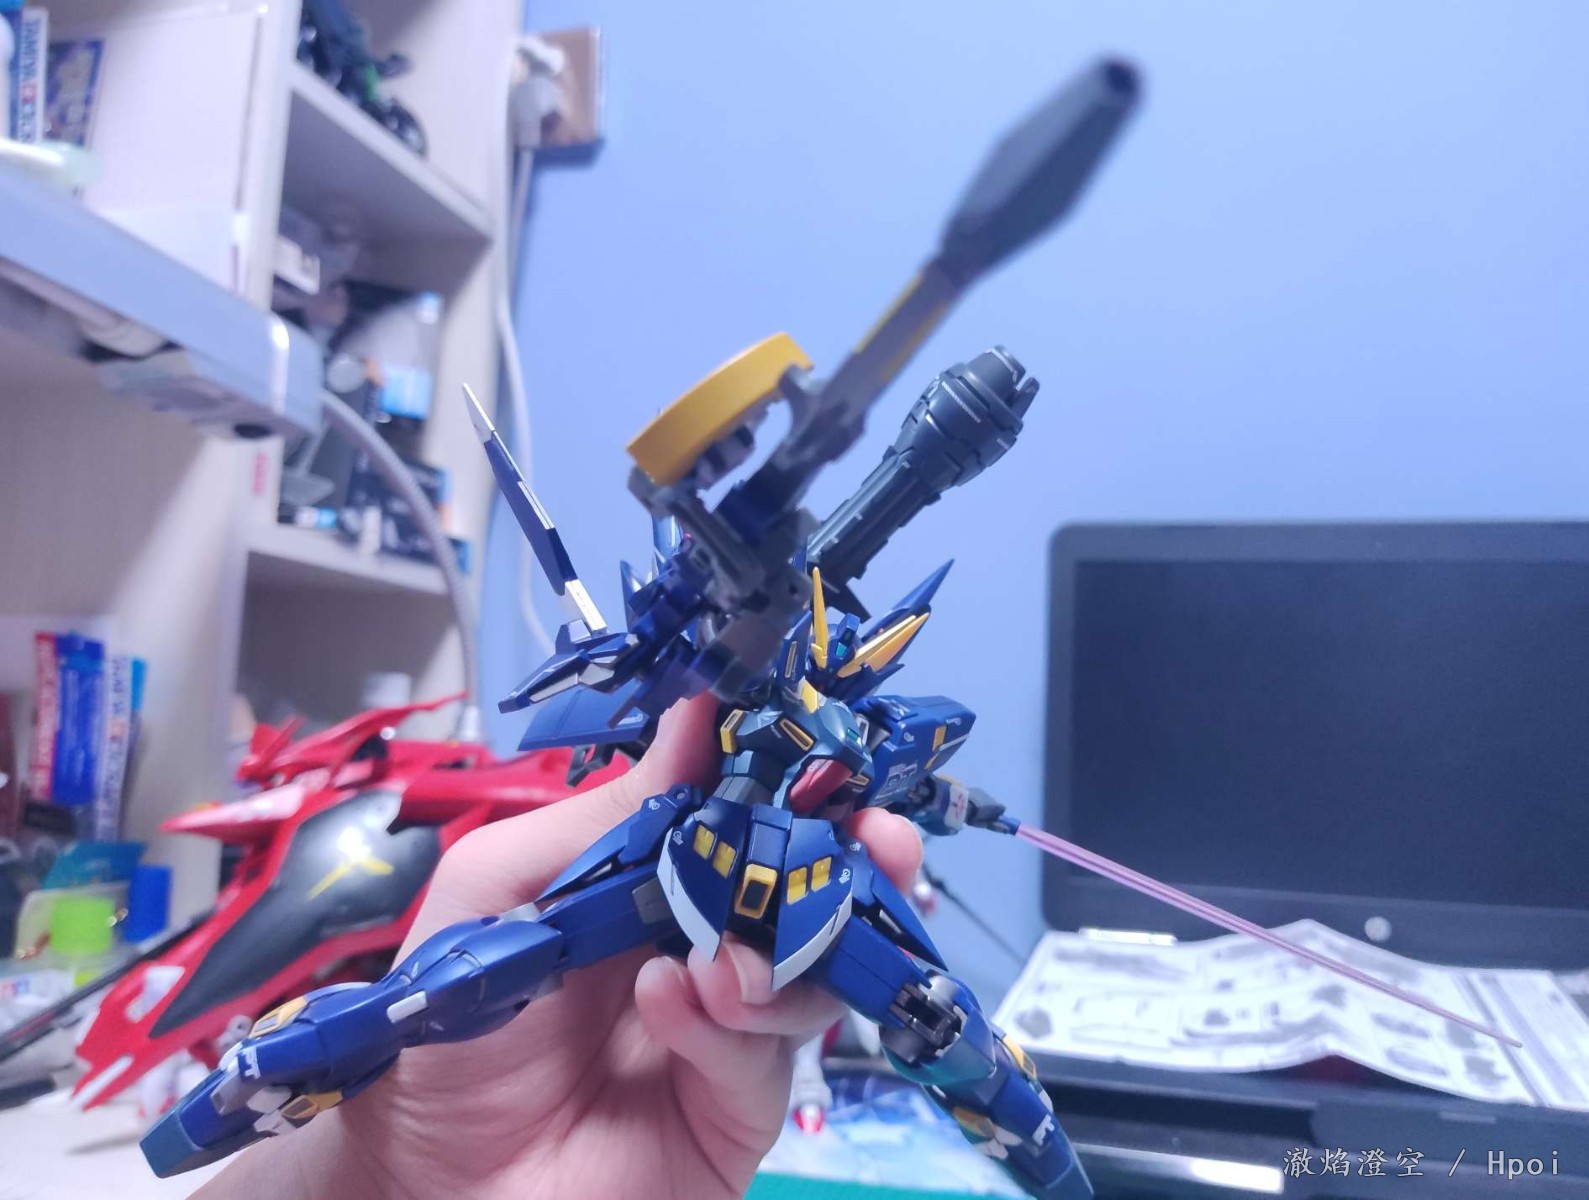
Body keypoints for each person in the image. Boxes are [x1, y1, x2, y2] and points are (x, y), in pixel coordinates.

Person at [198, 693, 925, 1199]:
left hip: (778, 868)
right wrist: (372, 1172)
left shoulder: (849, 762)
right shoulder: (731, 717)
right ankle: (312, 1052)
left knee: (921, 1007)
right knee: (506, 956)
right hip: (678, 849)